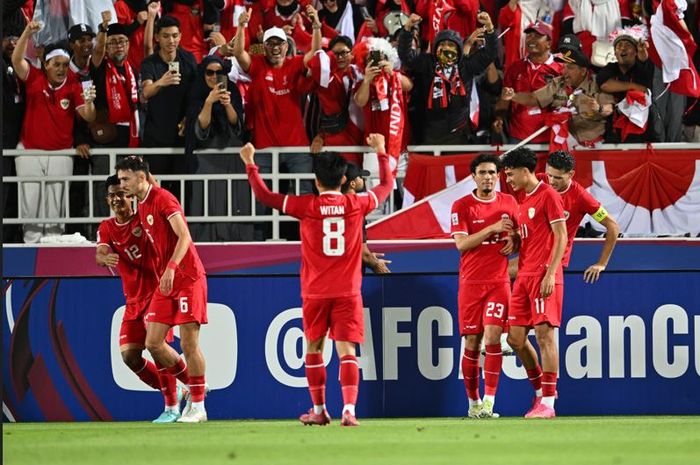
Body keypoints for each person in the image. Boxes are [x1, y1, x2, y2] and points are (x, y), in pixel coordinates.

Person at [240, 133, 393, 426]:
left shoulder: (306, 206)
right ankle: (349, 410)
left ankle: (320, 409)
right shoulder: (356, 205)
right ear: (342, 179)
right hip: (348, 290)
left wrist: (251, 164)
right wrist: (381, 151)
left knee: (313, 348)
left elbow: (265, 196)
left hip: (315, 292)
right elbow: (386, 186)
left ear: (317, 181)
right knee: (347, 350)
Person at [115, 156, 209, 423]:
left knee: (189, 344)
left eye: (125, 179)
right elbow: (148, 182)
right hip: (166, 284)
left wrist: (170, 267)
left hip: (186, 277)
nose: (122, 185)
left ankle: (199, 407)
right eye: (120, 180)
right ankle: (194, 385)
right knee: (153, 343)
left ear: (141, 178)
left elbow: (185, 236)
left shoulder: (164, 199)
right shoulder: (142, 200)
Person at [95, 175, 185, 423]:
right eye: (112, 195)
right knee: (130, 357)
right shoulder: (106, 227)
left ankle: (172, 407)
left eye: (121, 194)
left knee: (157, 349)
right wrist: (103, 258)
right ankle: (177, 389)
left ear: (131, 196)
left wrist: (144, 174)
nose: (116, 199)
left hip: (156, 294)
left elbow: (156, 194)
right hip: (132, 301)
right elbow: (100, 252)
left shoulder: (145, 219)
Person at [12, 22, 96, 244]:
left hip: (61, 152)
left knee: (55, 204)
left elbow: (88, 116)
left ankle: (53, 244)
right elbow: (16, 60)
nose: (61, 69)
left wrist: (89, 101)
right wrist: (27, 33)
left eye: (65, 64)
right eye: (56, 64)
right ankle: (31, 244)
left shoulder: (75, 84)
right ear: (45, 64)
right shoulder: (34, 77)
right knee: (30, 202)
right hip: (30, 150)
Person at [450, 154, 519, 419]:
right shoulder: (462, 205)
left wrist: (515, 239)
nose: (488, 177)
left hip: (498, 282)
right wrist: (491, 229)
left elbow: (523, 234)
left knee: (492, 339)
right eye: (483, 172)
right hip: (470, 283)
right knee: (472, 341)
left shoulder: (509, 202)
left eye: (492, 172)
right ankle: (473, 403)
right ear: (473, 176)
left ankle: (490, 402)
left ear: (498, 175)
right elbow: (461, 244)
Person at [502, 147, 567, 419]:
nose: (507, 179)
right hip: (524, 276)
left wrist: (551, 273)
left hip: (543, 275)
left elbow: (561, 236)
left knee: (544, 336)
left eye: (510, 173)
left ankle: (549, 403)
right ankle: (542, 390)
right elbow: (531, 235)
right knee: (515, 339)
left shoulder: (548, 195)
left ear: (525, 170)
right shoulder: (523, 199)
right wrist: (514, 236)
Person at [397, 11, 497, 145]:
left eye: (450, 45)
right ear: (435, 47)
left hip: (459, 133)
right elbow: (406, 56)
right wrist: (408, 28)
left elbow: (489, 54)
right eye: (442, 44)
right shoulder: (428, 63)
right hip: (431, 133)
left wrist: (490, 28)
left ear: (459, 49)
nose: (446, 48)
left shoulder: (465, 66)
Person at [501, 36, 615, 148]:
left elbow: (609, 108)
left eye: (570, 68)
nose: (564, 71)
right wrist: (513, 96)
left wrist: (598, 108)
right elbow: (533, 98)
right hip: (569, 145)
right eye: (564, 67)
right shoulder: (559, 83)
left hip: (597, 147)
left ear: (583, 70)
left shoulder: (596, 83)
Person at [185, 54, 252, 242]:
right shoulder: (196, 92)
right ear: (203, 73)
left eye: (219, 72)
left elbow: (237, 125)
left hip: (231, 158)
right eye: (209, 72)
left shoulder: (232, 90)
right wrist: (208, 102)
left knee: (233, 202)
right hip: (205, 159)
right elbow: (200, 129)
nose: (214, 77)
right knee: (206, 203)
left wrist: (227, 104)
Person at [545, 150, 620, 281]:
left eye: (558, 178)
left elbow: (612, 226)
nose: (551, 181)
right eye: (550, 175)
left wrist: (602, 264)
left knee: (500, 274)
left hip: (552, 259)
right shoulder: (540, 181)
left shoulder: (581, 197)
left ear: (571, 174)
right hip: (533, 252)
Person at [140, 15, 197, 184]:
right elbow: (146, 92)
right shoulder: (150, 63)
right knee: (156, 190)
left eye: (174, 35)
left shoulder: (189, 59)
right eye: (165, 36)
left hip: (182, 136)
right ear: (157, 37)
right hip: (156, 138)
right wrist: (162, 82)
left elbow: (195, 95)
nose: (171, 40)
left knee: (182, 190)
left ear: (180, 36)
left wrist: (188, 118)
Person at [494, 21, 563, 145]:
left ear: (549, 43)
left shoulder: (560, 69)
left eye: (537, 36)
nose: (531, 39)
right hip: (518, 136)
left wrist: (513, 96)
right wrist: (499, 117)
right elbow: (505, 98)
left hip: (549, 135)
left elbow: (535, 99)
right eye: (529, 36)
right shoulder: (515, 67)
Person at [597, 27, 657, 143]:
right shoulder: (610, 68)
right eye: (619, 46)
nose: (623, 48)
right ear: (615, 52)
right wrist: (633, 86)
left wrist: (642, 54)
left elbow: (644, 62)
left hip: (642, 132)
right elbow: (604, 84)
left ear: (635, 52)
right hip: (615, 131)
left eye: (628, 46)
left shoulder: (642, 68)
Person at [341, 162, 391, 274]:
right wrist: (375, 263)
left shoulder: (327, 206)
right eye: (360, 177)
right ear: (352, 184)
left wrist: (368, 256)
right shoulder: (356, 209)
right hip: (350, 274)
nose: (362, 180)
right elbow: (363, 254)